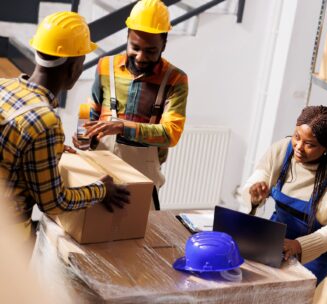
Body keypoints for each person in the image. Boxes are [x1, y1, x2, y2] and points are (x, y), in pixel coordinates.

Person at [0, 12, 130, 245]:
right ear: (75, 68)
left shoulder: (4, 87)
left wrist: (52, 150)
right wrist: (101, 190)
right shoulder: (46, 122)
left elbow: (10, 150)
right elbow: (53, 202)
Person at [73, 0, 188, 210]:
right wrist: (82, 134)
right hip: (101, 168)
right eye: (135, 48)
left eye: (151, 51)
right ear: (127, 37)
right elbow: (91, 107)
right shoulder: (105, 66)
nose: (141, 57)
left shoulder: (175, 80)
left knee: (133, 236)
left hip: (142, 174)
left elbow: (171, 134)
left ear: (164, 44)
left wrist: (122, 126)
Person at [241, 105, 327, 284]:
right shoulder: (282, 150)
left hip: (319, 244)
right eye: (297, 137)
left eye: (310, 144)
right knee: (253, 282)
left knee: (291, 293)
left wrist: (298, 245)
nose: (299, 147)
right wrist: (254, 194)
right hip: (279, 232)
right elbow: (261, 175)